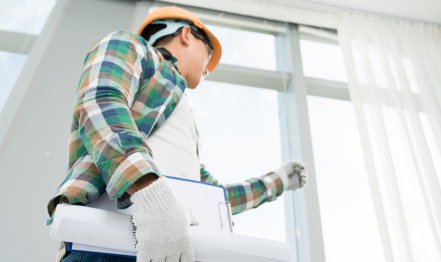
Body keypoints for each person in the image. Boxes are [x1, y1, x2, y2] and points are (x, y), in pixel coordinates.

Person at [46, 6, 309, 262]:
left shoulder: (180, 118)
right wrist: (151, 193)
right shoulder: (131, 46)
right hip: (108, 245)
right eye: (209, 54)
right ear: (187, 34)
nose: (208, 68)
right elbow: (101, 101)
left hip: (178, 247)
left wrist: (279, 181)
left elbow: (217, 197)